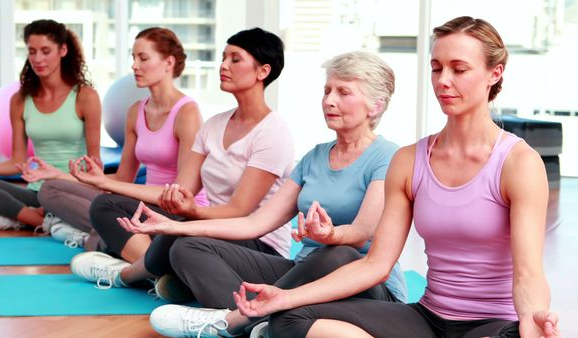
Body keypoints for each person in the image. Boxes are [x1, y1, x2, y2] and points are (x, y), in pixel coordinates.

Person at [230, 16, 561, 338]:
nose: (443, 80)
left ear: (494, 74)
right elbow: (376, 264)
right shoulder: (409, 160)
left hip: (492, 325)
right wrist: (285, 297)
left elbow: (528, 273)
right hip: (427, 318)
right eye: (436, 68)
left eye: (458, 69)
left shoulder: (518, 163)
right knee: (288, 319)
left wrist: (532, 322)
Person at [120, 51, 408, 338]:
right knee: (188, 246)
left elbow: (361, 233)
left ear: (375, 106)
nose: (329, 100)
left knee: (337, 254)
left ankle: (232, 321)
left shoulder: (387, 156)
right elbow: (255, 223)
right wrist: (173, 226)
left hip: (364, 287)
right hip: (300, 273)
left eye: (344, 92)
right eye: (327, 90)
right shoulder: (314, 157)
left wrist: (330, 235)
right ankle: (256, 322)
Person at [69, 27, 295, 292]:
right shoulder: (213, 125)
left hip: (259, 244)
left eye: (235, 59)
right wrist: (103, 183)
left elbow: (239, 210)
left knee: (183, 234)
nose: (223, 65)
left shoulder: (273, 132)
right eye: (223, 57)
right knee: (106, 205)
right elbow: (182, 191)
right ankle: (170, 277)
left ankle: (127, 275)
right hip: (213, 227)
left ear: (262, 71)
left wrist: (191, 214)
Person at [18, 27, 206, 249]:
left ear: (168, 63)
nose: (134, 65)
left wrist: (105, 184)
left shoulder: (187, 113)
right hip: (145, 206)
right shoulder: (136, 111)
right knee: (50, 188)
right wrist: (58, 174)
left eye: (143, 58)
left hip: (177, 214)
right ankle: (111, 237)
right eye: (133, 58)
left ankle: (102, 238)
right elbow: (124, 178)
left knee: (104, 204)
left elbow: (181, 196)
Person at [0, 19, 101, 230]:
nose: (38, 59)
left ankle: (29, 218)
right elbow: (17, 162)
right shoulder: (20, 100)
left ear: (62, 50)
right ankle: (42, 221)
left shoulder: (85, 96)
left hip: (73, 191)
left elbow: (95, 164)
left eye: (46, 51)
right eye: (32, 51)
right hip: (38, 192)